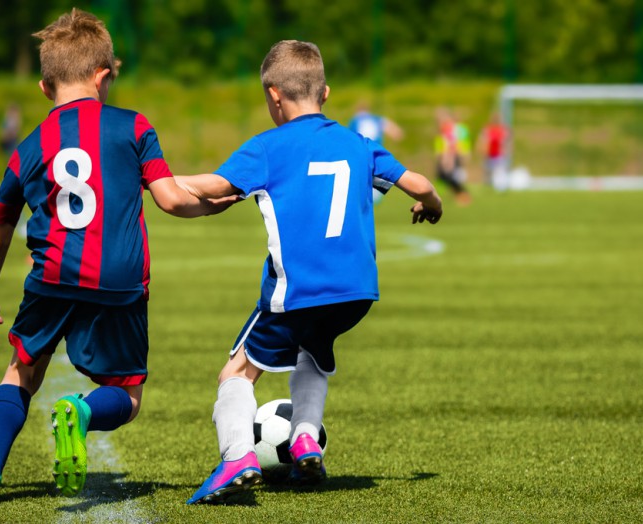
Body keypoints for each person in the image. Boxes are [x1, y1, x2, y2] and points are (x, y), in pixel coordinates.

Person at [0, 8, 233, 507]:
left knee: (21, 370)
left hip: (51, 275)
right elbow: (170, 199)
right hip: (118, 277)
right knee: (127, 393)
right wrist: (214, 205)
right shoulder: (133, 125)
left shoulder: (28, 147)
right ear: (104, 76)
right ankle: (81, 412)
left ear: (43, 87)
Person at [174, 40, 443, 505]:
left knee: (236, 373)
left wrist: (153, 176)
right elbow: (420, 183)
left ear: (274, 96)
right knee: (312, 353)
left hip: (298, 290)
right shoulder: (359, 143)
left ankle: (238, 458)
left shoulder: (268, 147)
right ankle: (304, 441)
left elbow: (213, 186)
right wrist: (430, 204)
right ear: (326, 93)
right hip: (357, 292)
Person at [348, 102, 404, 204]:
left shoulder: (355, 120)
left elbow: (349, 137)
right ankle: (376, 193)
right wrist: (396, 134)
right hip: (376, 151)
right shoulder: (375, 119)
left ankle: (368, 194)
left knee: (361, 175)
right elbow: (393, 129)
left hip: (360, 152)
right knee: (375, 173)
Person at [433, 107, 471, 205]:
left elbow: (450, 145)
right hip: (448, 156)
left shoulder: (449, 128)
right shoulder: (444, 128)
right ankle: (459, 195)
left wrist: (448, 159)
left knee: (450, 177)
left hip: (451, 157)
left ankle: (463, 195)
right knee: (443, 177)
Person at [477, 112, 510, 190]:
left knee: (499, 170)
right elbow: (483, 140)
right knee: (487, 170)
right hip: (489, 153)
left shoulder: (503, 129)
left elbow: (506, 141)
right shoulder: (488, 129)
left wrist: (506, 150)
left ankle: (500, 186)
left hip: (499, 154)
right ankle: (487, 185)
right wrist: (482, 149)